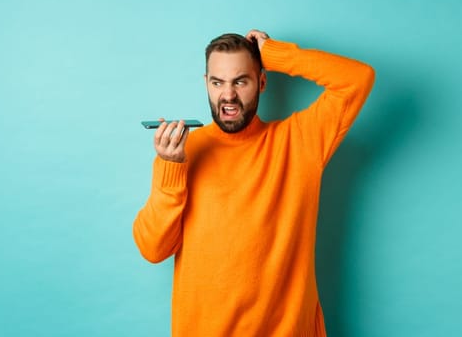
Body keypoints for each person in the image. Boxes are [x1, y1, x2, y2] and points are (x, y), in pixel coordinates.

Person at [132, 29, 375, 336]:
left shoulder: (300, 141)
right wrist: (170, 168)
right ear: (206, 84)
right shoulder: (182, 152)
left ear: (261, 82)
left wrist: (272, 53)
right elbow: (153, 249)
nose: (228, 95)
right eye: (218, 82)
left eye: (240, 81)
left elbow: (358, 78)